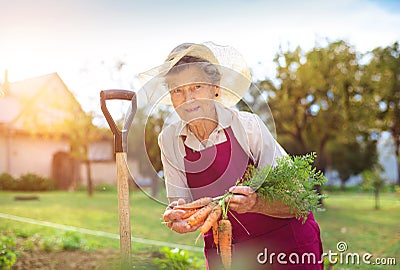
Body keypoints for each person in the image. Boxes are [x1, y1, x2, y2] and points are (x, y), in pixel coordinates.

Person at [144, 42, 323, 269]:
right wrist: (179, 218)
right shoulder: (169, 140)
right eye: (177, 90)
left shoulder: (248, 127)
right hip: (226, 255)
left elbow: (299, 199)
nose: (188, 98)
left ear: (215, 88)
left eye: (197, 86)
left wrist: (255, 203)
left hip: (285, 249)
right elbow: (182, 206)